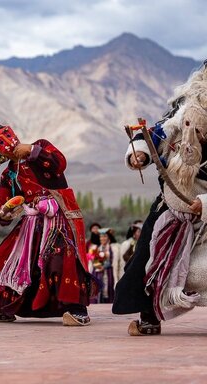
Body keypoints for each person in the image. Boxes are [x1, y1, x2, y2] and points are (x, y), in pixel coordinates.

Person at [112, 60, 207, 335]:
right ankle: (149, 317)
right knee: (149, 263)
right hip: (173, 207)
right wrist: (139, 152)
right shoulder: (185, 109)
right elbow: (153, 133)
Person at [0, 123, 98, 326]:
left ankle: (77, 309)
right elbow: (1, 211)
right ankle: (2, 308)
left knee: (60, 259)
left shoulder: (40, 147)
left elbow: (59, 163)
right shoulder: (8, 175)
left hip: (60, 217)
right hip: (31, 224)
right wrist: (5, 212)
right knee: (3, 257)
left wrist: (32, 150)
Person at [90, 228, 120, 303]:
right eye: (101, 237)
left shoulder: (113, 248)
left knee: (109, 289)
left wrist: (104, 266)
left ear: (108, 238)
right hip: (97, 273)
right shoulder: (95, 248)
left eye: (104, 236)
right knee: (97, 291)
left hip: (109, 273)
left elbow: (114, 261)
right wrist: (97, 265)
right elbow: (92, 260)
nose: (102, 238)